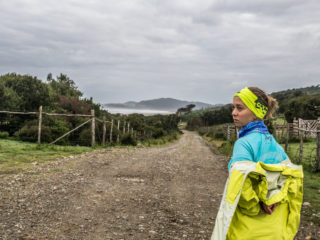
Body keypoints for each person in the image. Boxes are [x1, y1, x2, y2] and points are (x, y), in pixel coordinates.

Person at [211, 87, 303, 240]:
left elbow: (240, 185)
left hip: (248, 229)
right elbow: (289, 179)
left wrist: (257, 206)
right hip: (275, 228)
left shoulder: (243, 144)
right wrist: (274, 200)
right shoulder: (275, 144)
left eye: (239, 108)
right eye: (233, 107)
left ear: (255, 111)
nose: (233, 113)